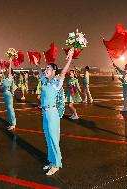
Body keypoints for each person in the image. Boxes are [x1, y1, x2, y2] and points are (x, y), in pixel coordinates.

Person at [39, 48, 74, 176]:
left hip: (52, 113)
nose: (45, 70)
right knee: (48, 138)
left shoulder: (56, 83)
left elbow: (64, 72)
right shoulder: (45, 81)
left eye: (48, 68)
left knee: (54, 139)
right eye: (45, 68)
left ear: (54, 71)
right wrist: (38, 63)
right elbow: (40, 73)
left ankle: (56, 164)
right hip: (45, 113)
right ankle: (52, 160)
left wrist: (70, 58)